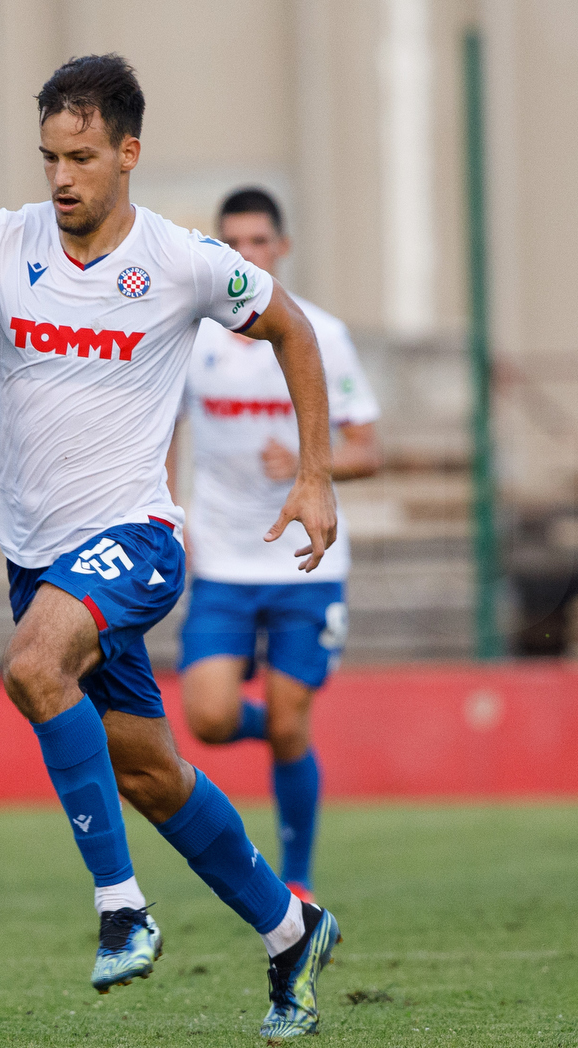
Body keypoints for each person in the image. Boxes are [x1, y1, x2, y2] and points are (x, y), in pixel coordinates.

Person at [0, 54, 343, 1038]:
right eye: (48, 157)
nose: (60, 176)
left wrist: (314, 469)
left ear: (126, 153)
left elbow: (292, 330)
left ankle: (123, 908)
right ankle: (290, 930)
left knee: (32, 667)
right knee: (150, 774)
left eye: (79, 157)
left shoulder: (182, 259)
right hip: (36, 557)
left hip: (137, 538)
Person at [167, 188, 381, 904]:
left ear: (281, 248)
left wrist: (302, 461)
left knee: (292, 714)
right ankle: (287, 731)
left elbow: (366, 449)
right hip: (224, 558)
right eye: (232, 244)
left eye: (258, 242)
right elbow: (163, 431)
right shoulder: (194, 340)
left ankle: (299, 877)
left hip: (304, 561)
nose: (245, 256)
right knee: (208, 717)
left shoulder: (317, 332)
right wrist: (167, 514)